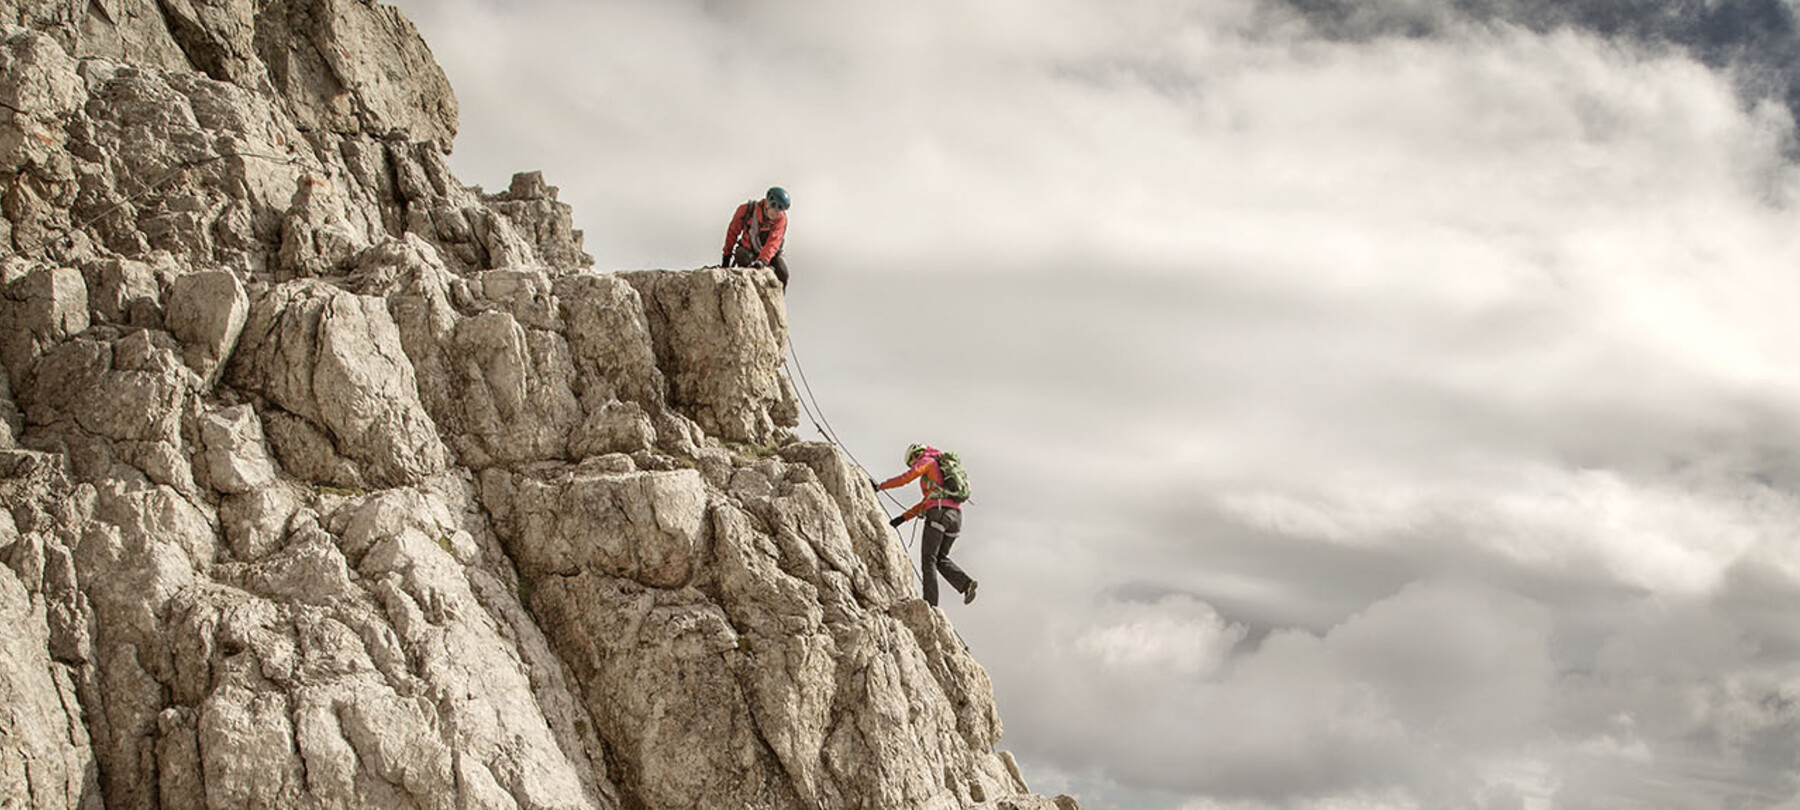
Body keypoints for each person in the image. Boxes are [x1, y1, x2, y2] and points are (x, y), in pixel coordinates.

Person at [874, 443, 977, 606]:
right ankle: (965, 584)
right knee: (940, 558)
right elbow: (927, 502)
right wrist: (901, 519)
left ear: (915, 456)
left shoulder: (927, 461)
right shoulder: (943, 475)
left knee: (928, 560)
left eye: (912, 462)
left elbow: (906, 478)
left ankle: (930, 605)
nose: (913, 465)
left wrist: (881, 486)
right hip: (956, 518)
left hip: (939, 514)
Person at [721, 186, 791, 287]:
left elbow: (774, 242)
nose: (777, 214)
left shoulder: (781, 219)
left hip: (769, 255)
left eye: (779, 211)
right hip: (748, 250)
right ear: (767, 204)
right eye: (775, 210)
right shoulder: (746, 210)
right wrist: (726, 258)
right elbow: (732, 233)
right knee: (742, 257)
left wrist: (762, 261)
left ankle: (776, 300)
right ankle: (743, 289)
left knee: (783, 273)